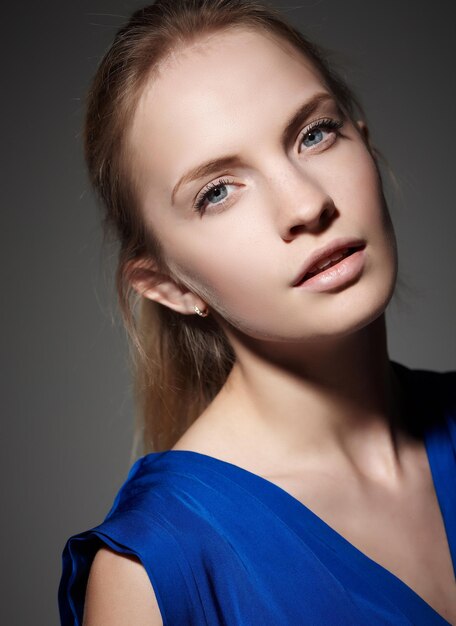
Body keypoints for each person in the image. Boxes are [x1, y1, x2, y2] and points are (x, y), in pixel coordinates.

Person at [58, 0, 456, 624]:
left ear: (365, 143)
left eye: (314, 134)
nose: (306, 204)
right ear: (167, 284)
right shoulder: (155, 576)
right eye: (217, 191)